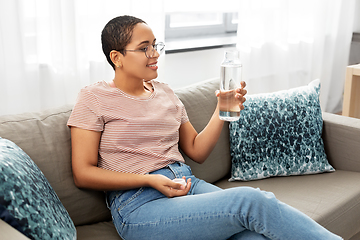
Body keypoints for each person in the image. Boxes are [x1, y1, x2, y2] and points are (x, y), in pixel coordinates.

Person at [67, 15, 342, 240]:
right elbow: (83, 173)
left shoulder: (165, 93)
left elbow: (196, 151)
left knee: (254, 236)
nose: (154, 54)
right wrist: (149, 179)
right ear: (117, 57)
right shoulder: (94, 98)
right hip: (137, 204)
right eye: (143, 48)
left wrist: (223, 109)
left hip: (188, 184)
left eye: (155, 45)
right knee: (252, 202)